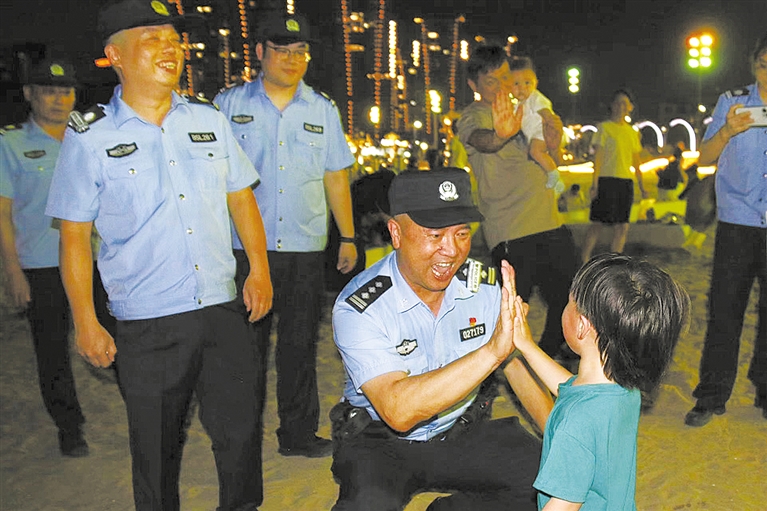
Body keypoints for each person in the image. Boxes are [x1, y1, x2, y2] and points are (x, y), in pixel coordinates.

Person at [45, 1, 273, 509]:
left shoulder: (208, 119)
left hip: (221, 309)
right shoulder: (91, 136)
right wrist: (85, 321)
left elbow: (241, 197)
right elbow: (74, 236)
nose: (170, 49)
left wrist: (258, 269)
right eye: (152, 39)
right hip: (148, 322)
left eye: (174, 40)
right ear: (114, 56)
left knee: (239, 434)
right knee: (155, 448)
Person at [330, 167, 553, 510]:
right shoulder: (360, 306)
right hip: (380, 441)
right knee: (367, 505)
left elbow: (518, 369)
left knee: (550, 482)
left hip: (461, 429)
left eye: (462, 233)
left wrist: (564, 446)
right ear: (396, 233)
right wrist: (491, 352)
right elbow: (397, 411)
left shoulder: (484, 287)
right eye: (435, 235)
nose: (451, 251)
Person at [214, 12, 356, 458]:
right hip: (243, 249)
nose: (292, 59)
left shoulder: (322, 109)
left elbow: (335, 175)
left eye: (300, 52)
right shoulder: (227, 105)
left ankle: (296, 435)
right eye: (281, 50)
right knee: (245, 350)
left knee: (299, 346)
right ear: (260, 52)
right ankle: (242, 437)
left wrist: (349, 236)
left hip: (304, 248)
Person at [510, 253, 689, 510]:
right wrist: (526, 345)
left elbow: (564, 505)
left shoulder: (576, 424)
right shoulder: (624, 388)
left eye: (569, 302)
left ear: (582, 326)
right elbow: (571, 388)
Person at [458, 45, 579, 360]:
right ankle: (487, 377)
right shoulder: (473, 115)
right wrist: (501, 134)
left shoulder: (526, 108)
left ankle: (547, 356)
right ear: (473, 85)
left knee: (573, 295)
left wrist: (554, 139)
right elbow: (483, 140)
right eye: (490, 81)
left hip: (548, 218)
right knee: (511, 310)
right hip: (511, 227)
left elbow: (549, 155)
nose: (500, 86)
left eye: (504, 77)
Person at [0, 57, 95, 457]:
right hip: (41, 266)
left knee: (120, 335)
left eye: (66, 92)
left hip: (95, 261)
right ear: (29, 94)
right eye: (48, 92)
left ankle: (140, 405)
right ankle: (69, 426)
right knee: (53, 352)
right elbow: (2, 214)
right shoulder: (10, 144)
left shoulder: (89, 137)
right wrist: (13, 273)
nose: (59, 99)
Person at [685, 33, 767, 427]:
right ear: (754, 64)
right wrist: (727, 131)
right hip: (737, 222)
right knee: (725, 310)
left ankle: (764, 389)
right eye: (764, 64)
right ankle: (712, 394)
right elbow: (704, 157)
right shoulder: (732, 102)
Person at [580, 89, 648, 264]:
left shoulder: (632, 132)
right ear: (612, 106)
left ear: (630, 107)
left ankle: (614, 262)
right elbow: (598, 157)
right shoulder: (604, 128)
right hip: (606, 180)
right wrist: (595, 184)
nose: (621, 107)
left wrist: (642, 185)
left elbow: (636, 161)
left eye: (625, 103)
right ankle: (584, 258)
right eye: (618, 103)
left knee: (622, 226)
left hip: (625, 181)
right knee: (597, 223)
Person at [507, 56, 565, 194]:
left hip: (542, 132)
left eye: (527, 83)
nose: (522, 88)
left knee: (535, 152)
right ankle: (555, 181)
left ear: (535, 83)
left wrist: (550, 123)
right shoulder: (518, 105)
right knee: (536, 153)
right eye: (516, 84)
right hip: (534, 136)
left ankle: (554, 174)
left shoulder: (535, 97)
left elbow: (545, 111)